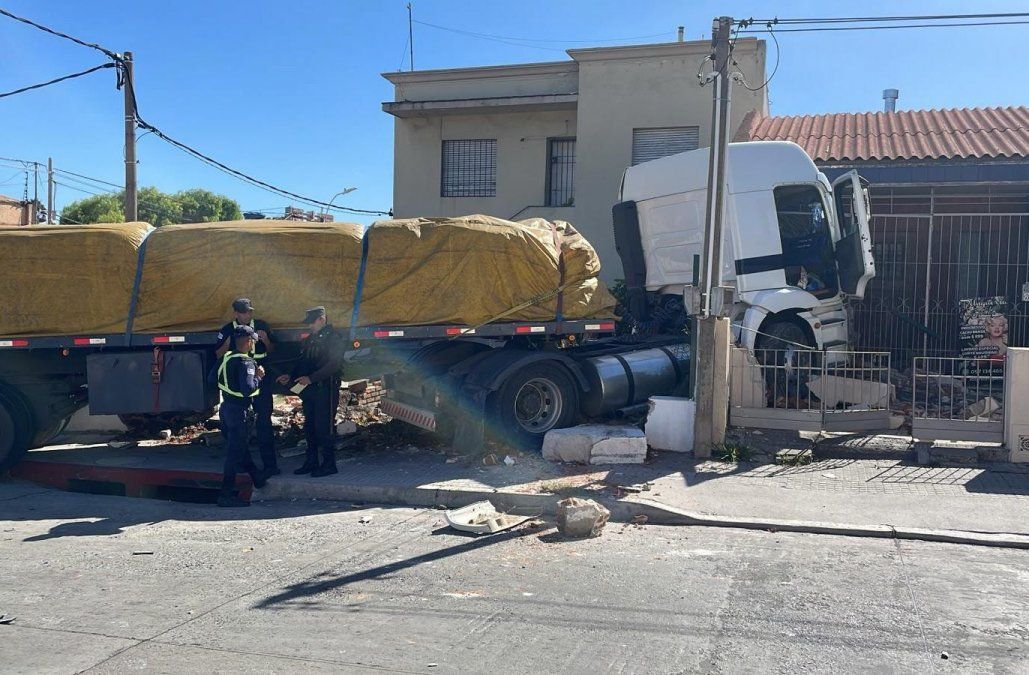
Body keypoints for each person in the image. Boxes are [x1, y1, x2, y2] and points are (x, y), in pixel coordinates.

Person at [278, 306, 344, 477]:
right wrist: (290, 376)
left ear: (322, 319)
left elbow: (333, 365)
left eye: (312, 322)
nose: (310, 326)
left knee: (324, 427)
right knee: (310, 427)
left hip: (326, 388)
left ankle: (329, 464)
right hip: (310, 390)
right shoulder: (310, 340)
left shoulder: (334, 338)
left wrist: (312, 378)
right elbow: (302, 362)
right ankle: (312, 461)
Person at [216, 298, 278, 475]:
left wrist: (265, 341)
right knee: (238, 430)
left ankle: (270, 466)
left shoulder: (260, 325)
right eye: (244, 312)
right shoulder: (228, 329)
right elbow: (218, 353)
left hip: (259, 379)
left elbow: (273, 350)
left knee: (264, 423)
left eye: (250, 311)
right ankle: (244, 466)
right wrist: (228, 344)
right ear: (236, 313)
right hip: (239, 386)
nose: (247, 314)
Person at [213, 325, 268, 508]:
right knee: (233, 454)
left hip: (226, 409)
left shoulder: (226, 358)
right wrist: (259, 376)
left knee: (239, 447)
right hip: (239, 411)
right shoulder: (247, 362)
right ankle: (225, 495)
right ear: (249, 342)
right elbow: (248, 390)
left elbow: (211, 379)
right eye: (253, 341)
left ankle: (257, 477)